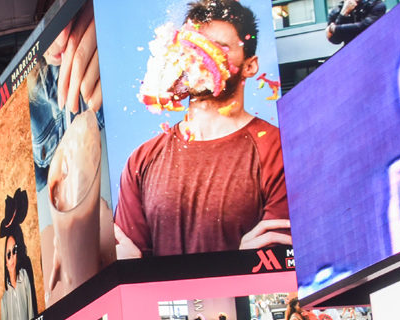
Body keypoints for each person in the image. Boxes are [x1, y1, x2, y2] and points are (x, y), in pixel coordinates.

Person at [114, 0, 289, 259]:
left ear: (250, 66)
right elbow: (132, 266)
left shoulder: (278, 148)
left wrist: (245, 268)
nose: (199, 58)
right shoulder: (141, 160)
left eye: (220, 47)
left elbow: (280, 256)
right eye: (192, 46)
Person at [0, 189, 37, 320]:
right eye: (8, 254)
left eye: (14, 251)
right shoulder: (4, 300)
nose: (12, 257)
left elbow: (32, 314)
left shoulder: (25, 278)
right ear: (5, 261)